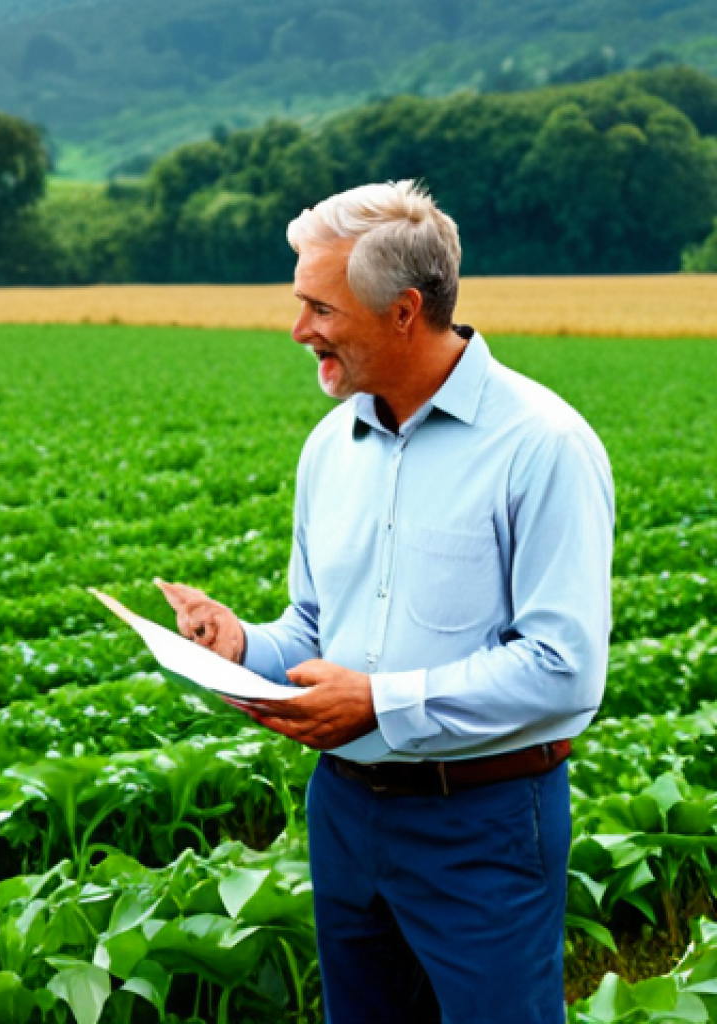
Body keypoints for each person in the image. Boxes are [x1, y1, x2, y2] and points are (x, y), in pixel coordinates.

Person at [156, 180, 614, 1024]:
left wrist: (378, 703)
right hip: (344, 813)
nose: (300, 331)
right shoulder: (331, 446)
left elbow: (564, 670)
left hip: (483, 820)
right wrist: (242, 649)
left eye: (319, 307)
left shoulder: (542, 446)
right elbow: (314, 629)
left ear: (404, 311)